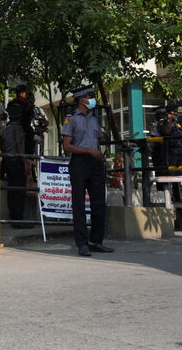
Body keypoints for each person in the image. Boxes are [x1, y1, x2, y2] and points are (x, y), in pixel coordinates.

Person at [62, 86, 112, 256]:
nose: (92, 100)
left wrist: (98, 155)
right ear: (81, 99)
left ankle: (96, 241)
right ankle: (82, 243)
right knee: (79, 205)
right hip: (79, 163)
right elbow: (67, 146)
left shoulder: (94, 119)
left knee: (99, 203)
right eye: (90, 97)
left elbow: (97, 141)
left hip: (95, 163)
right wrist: (89, 151)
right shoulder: (71, 119)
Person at [0, 107, 28, 228]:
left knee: (11, 190)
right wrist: (25, 162)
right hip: (16, 161)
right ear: (20, 117)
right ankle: (18, 219)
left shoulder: (5, 129)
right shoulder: (17, 129)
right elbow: (19, 145)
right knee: (19, 190)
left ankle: (13, 217)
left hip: (7, 161)